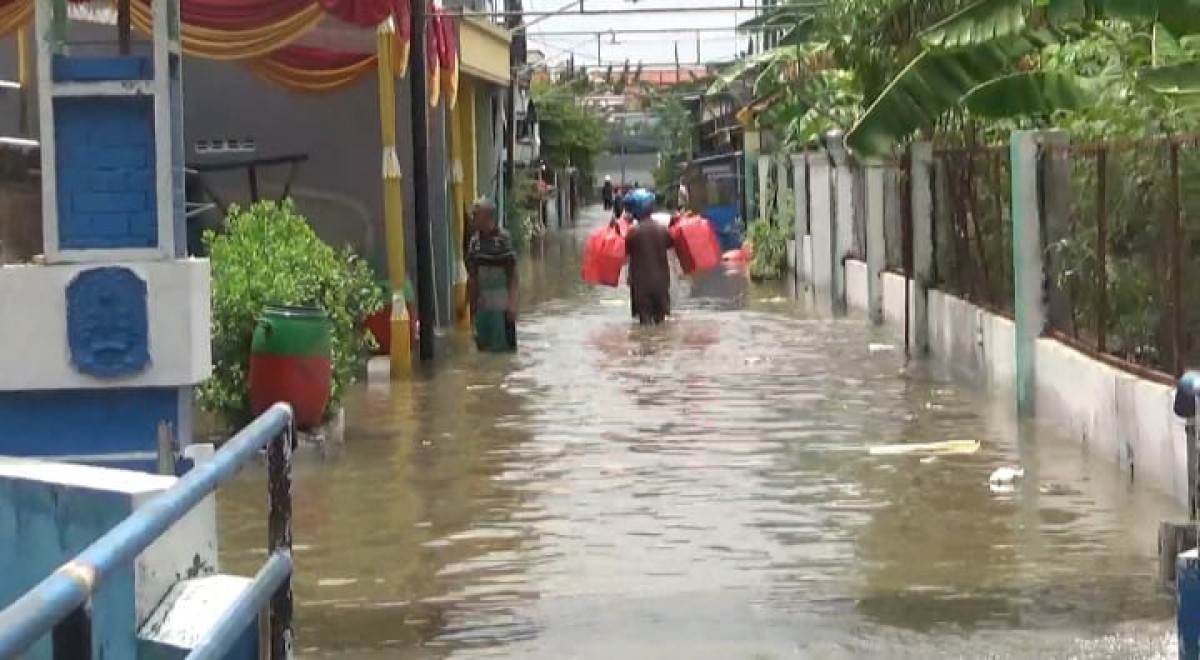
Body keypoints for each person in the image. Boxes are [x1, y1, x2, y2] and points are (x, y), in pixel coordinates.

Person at [465, 197, 519, 352]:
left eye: (477, 214)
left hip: (501, 304)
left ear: (488, 216)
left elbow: (513, 275)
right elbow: (472, 276)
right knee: (483, 351)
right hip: (483, 306)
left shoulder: (503, 239)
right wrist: (469, 305)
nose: (473, 217)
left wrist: (512, 304)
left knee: (504, 352)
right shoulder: (474, 242)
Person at [622, 188, 674, 325]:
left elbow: (623, 251)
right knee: (661, 324)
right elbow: (671, 243)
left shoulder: (633, 233)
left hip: (642, 286)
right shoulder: (662, 230)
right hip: (662, 284)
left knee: (644, 326)